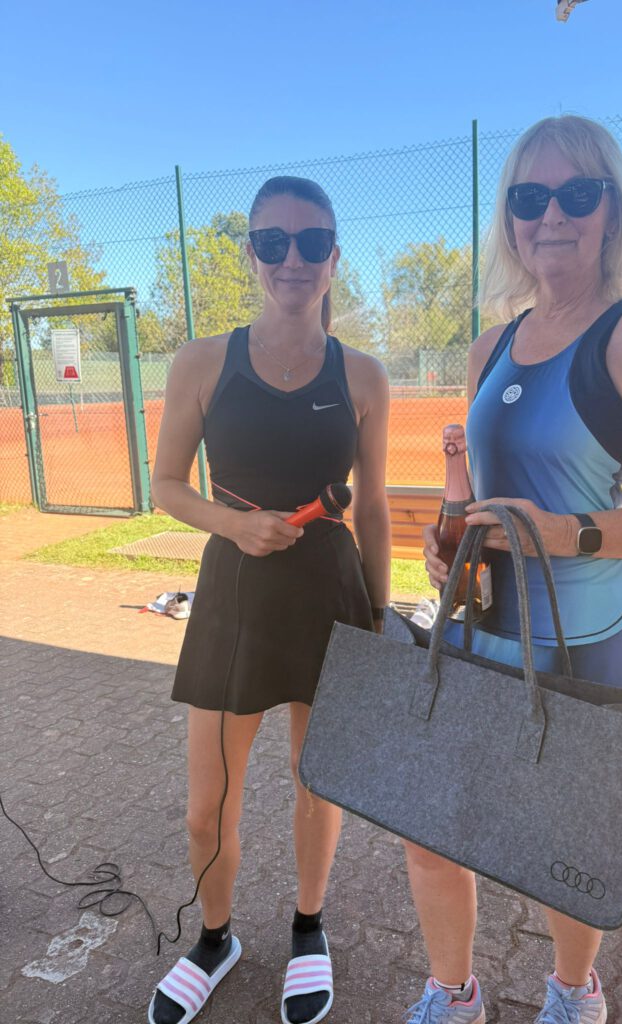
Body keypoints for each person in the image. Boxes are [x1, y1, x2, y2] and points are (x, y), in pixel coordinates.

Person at [408, 115, 622, 1024]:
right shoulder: (489, 347)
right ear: (509, 218)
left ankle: (574, 994)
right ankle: (452, 994)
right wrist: (450, 549)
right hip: (485, 632)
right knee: (431, 829)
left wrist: (567, 535)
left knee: (569, 852)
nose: (552, 215)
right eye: (529, 196)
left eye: (577, 194)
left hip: (591, 642)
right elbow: (482, 492)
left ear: (610, 211)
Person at [148, 176, 390, 1024]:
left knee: (315, 781)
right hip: (236, 593)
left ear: (334, 257)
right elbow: (167, 484)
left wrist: (379, 620)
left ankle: (308, 927)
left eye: (312, 242)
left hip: (331, 595)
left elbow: (375, 509)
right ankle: (215, 939)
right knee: (205, 806)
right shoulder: (201, 361)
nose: (294, 258)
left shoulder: (363, 375)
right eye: (274, 241)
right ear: (252, 253)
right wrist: (234, 525)